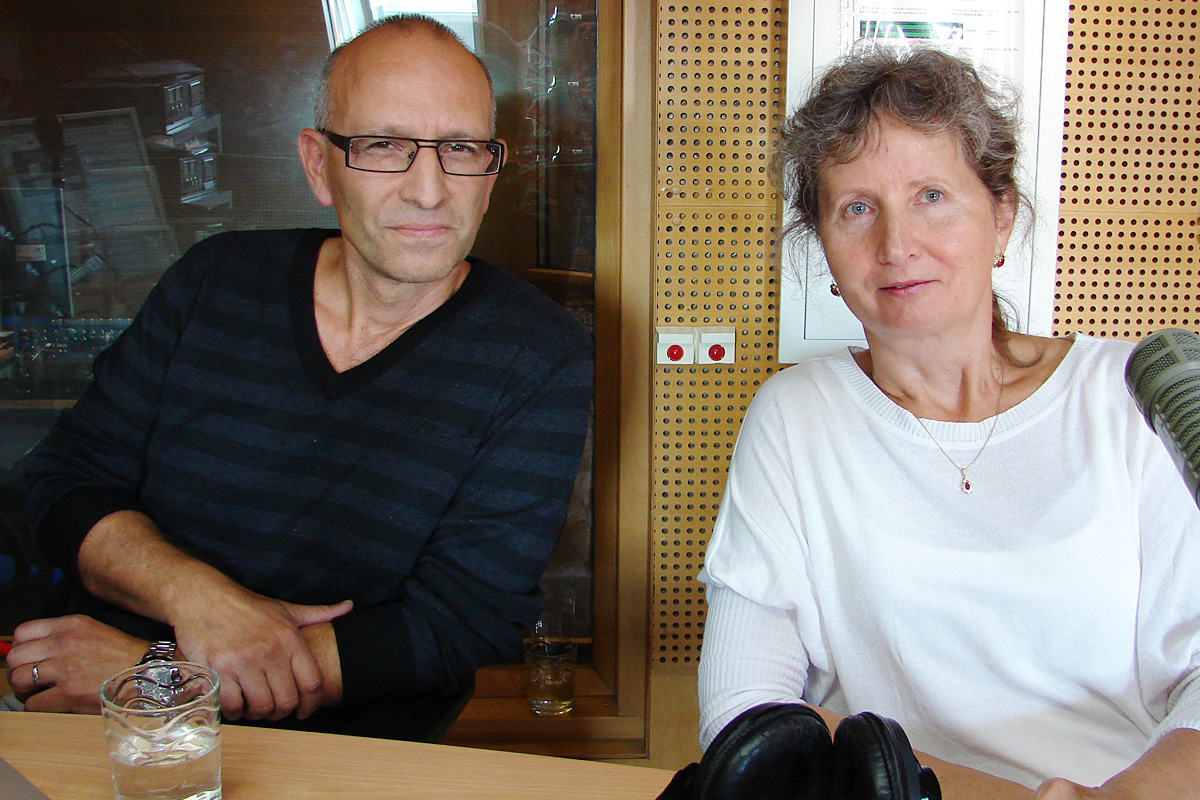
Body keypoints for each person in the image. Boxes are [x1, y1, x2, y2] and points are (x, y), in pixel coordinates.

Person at [3, 14, 592, 739]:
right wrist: (199, 598)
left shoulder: (537, 354)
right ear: (318, 166)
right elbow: (65, 480)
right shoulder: (214, 281)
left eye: (461, 148)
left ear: (492, 170)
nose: (430, 191)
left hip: (321, 751)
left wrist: (158, 677)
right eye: (384, 147)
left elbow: (459, 624)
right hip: (83, 718)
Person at [697, 46, 1200, 798]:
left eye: (931, 196)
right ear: (824, 247)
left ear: (1002, 217)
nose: (896, 245)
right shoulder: (797, 418)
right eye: (857, 208)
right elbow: (744, 715)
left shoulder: (1133, 396)